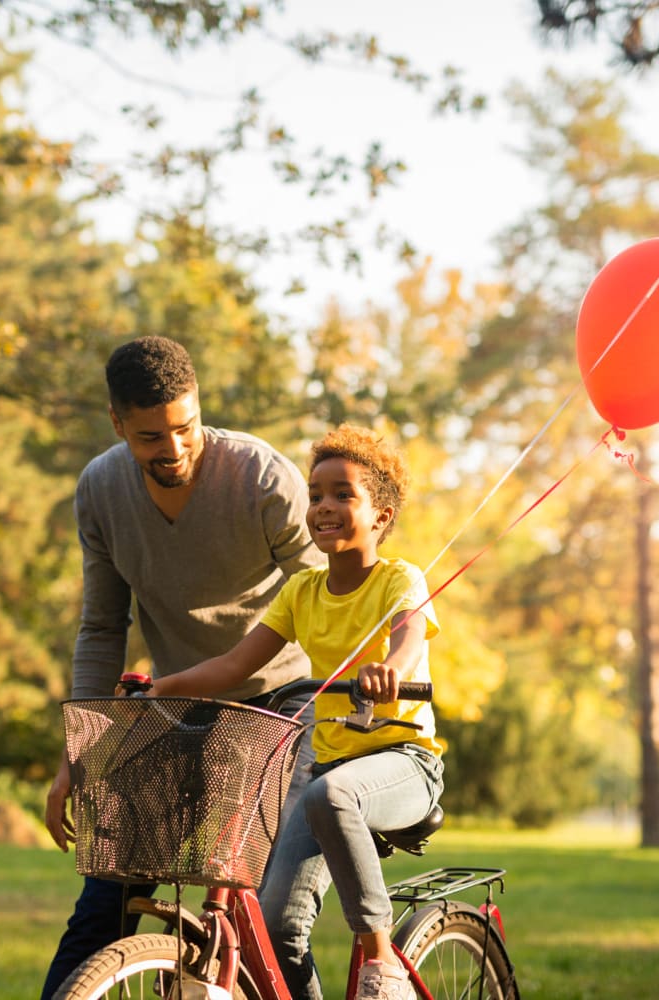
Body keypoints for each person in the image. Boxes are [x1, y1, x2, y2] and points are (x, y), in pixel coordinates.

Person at [40, 335, 325, 1000]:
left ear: (200, 406)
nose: (172, 449)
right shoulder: (101, 492)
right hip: (176, 701)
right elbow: (103, 628)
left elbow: (322, 600)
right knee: (104, 904)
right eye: (149, 437)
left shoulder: (260, 476)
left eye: (184, 427)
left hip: (283, 700)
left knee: (274, 915)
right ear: (118, 425)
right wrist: (80, 753)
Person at [147, 424, 444, 1000]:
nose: (323, 507)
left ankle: (382, 965)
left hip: (405, 763)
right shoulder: (303, 591)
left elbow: (409, 638)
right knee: (278, 928)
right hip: (329, 776)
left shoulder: (399, 580)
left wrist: (392, 671)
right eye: (315, 494)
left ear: (381, 517)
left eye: (342, 494)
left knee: (329, 796)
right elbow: (234, 667)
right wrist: (163, 688)